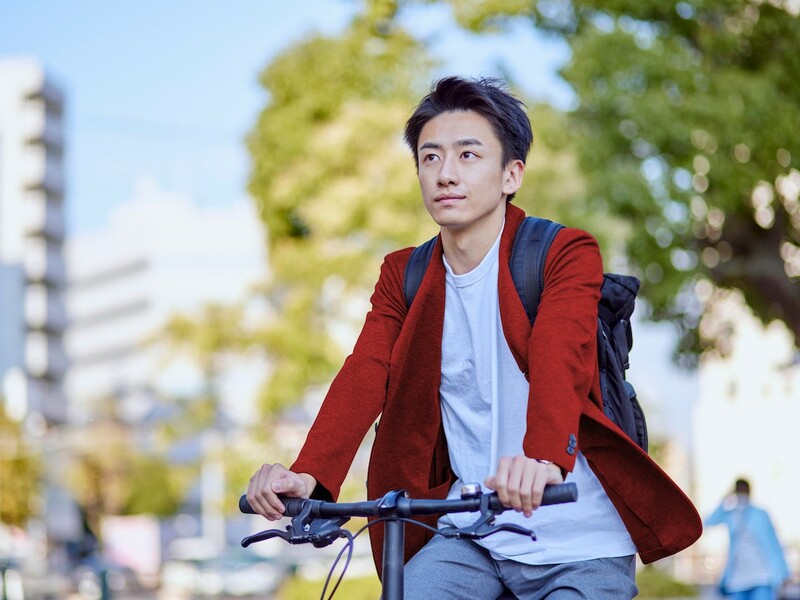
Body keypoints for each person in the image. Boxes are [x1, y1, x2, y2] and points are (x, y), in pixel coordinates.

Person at [247, 76, 702, 599]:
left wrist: (544, 458)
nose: (446, 174)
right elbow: (366, 370)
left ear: (512, 174)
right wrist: (309, 476)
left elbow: (563, 355)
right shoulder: (404, 275)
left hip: (577, 536)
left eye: (468, 155)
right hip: (472, 536)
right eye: (430, 158)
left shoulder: (562, 252)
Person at [706, 478, 791, 600]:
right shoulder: (730, 514)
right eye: (738, 490)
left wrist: (784, 572)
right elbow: (709, 521)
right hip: (737, 579)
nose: (741, 493)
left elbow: (774, 543)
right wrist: (725, 498)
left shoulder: (760, 514)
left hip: (762, 576)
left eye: (743, 490)